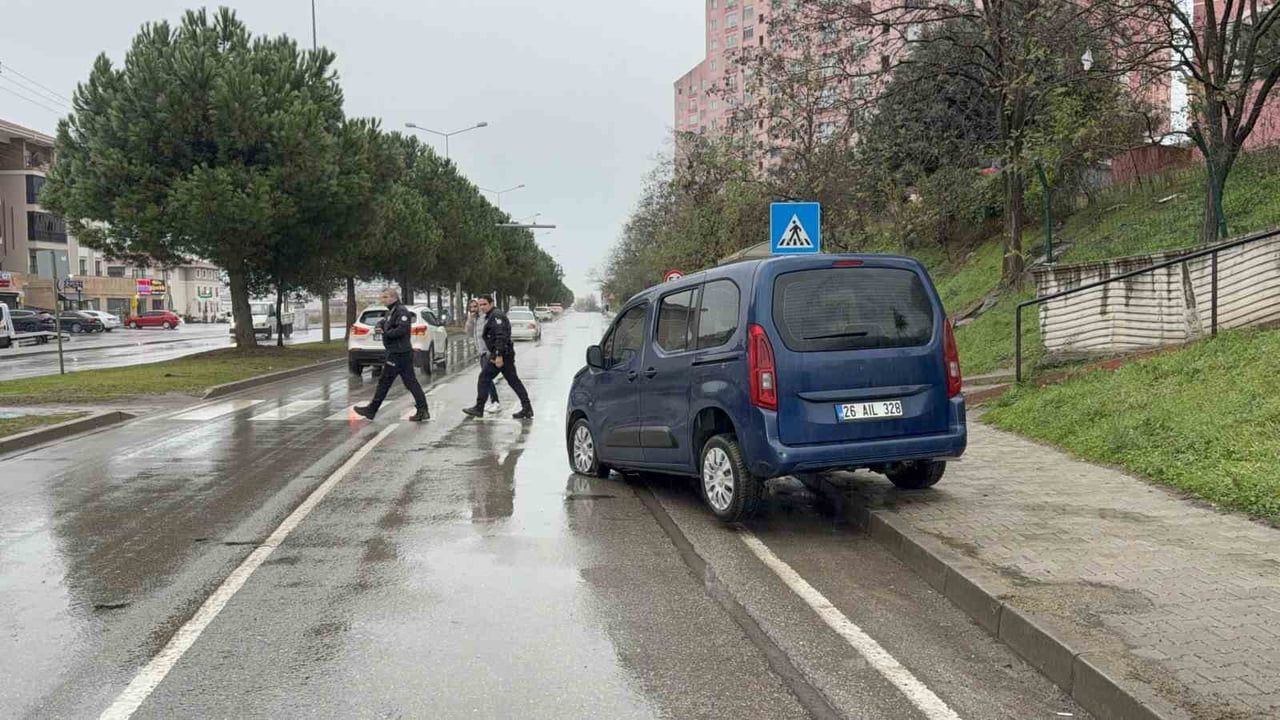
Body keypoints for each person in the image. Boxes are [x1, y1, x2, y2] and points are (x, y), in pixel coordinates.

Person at [355, 287, 429, 422]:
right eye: (382, 297)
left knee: (385, 382)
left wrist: (386, 333)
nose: (382, 300)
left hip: (398, 353)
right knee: (410, 382)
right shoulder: (392, 311)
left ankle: (372, 409)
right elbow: (385, 322)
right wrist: (379, 325)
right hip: (398, 352)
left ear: (394, 298)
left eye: (385, 297)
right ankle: (423, 409)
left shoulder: (401, 311)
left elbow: (402, 329)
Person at [463, 296, 533, 420]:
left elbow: (501, 337)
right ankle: (527, 408)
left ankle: (479, 408)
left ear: (491, 303)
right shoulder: (490, 316)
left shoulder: (496, 316)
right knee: (513, 381)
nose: (482, 307)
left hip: (501, 355)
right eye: (480, 305)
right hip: (503, 354)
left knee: (484, 378)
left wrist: (498, 355)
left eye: (484, 304)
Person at [465, 299, 501, 414]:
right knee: (486, 379)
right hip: (482, 352)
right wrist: (470, 320)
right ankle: (487, 403)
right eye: (471, 307)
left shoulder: (485, 318)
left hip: (488, 352)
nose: (473, 309)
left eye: (476, 306)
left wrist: (493, 352)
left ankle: (494, 402)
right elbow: (469, 333)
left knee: (486, 378)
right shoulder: (473, 319)